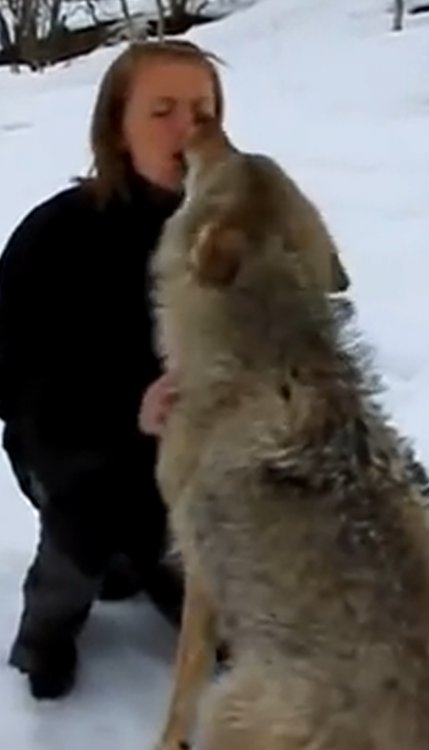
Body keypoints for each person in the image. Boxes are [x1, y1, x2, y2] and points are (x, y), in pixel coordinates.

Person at [0, 39, 225, 700]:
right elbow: (13, 381)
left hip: (194, 467)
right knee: (84, 539)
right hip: (78, 453)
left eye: (203, 112)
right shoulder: (57, 235)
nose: (187, 129)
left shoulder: (229, 231)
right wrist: (129, 408)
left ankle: (150, 563)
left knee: (218, 624)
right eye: (162, 111)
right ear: (117, 130)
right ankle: (47, 629)